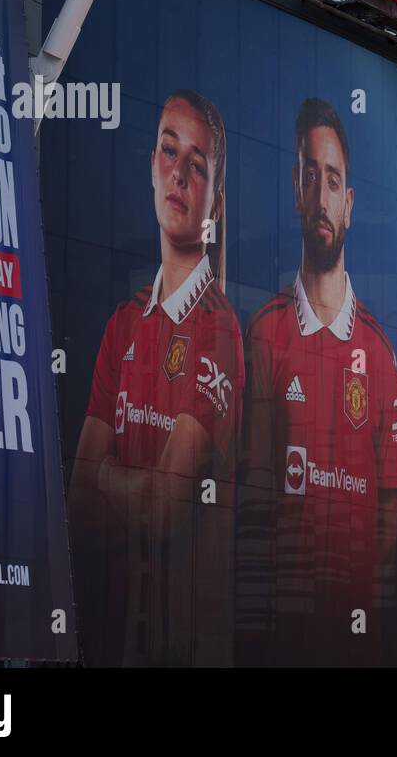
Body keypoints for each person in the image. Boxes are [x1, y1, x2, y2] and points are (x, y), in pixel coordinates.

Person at [70, 90, 243, 666]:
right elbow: (76, 504)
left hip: (183, 648)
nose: (179, 175)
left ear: (215, 199)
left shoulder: (219, 331)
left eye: (198, 166)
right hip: (110, 640)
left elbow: (167, 512)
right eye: (169, 153)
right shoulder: (122, 325)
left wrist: (111, 476)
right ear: (151, 167)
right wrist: (138, 489)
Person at [238, 97, 397, 667]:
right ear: (296, 188)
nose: (322, 194)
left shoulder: (380, 356)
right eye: (311, 175)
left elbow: (389, 523)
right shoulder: (264, 332)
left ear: (349, 203)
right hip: (282, 639)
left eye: (333, 180)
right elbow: (255, 500)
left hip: (358, 642)